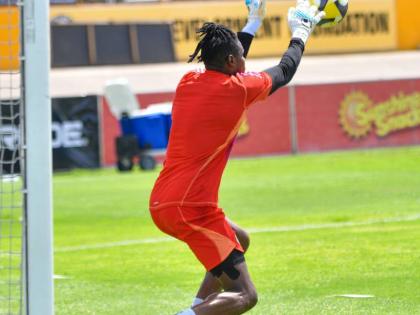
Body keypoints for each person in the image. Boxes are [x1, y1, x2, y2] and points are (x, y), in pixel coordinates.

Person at [149, 1, 325, 314]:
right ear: (232, 61)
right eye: (241, 56)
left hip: (166, 200)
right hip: (189, 207)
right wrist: (301, 31)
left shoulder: (189, 81)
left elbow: (228, 61)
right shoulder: (238, 89)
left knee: (239, 238)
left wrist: (253, 24)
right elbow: (285, 71)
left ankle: (198, 307)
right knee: (245, 296)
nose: (245, 60)